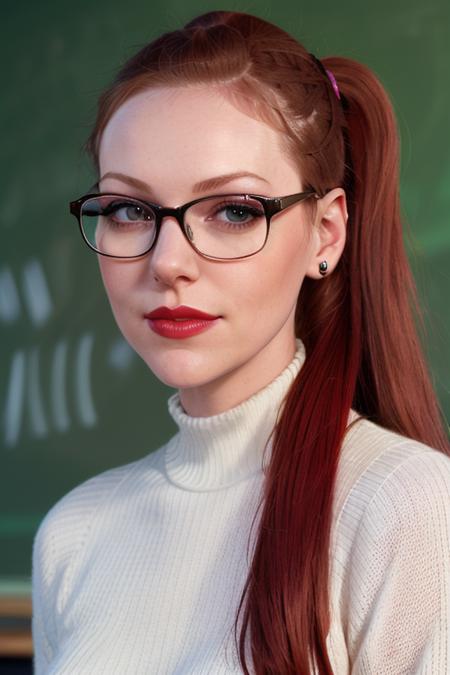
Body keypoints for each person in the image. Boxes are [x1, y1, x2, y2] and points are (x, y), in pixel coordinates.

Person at [32, 10, 450, 675]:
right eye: (129, 210)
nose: (168, 262)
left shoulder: (404, 507)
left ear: (327, 233)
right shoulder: (73, 536)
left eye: (233, 210)